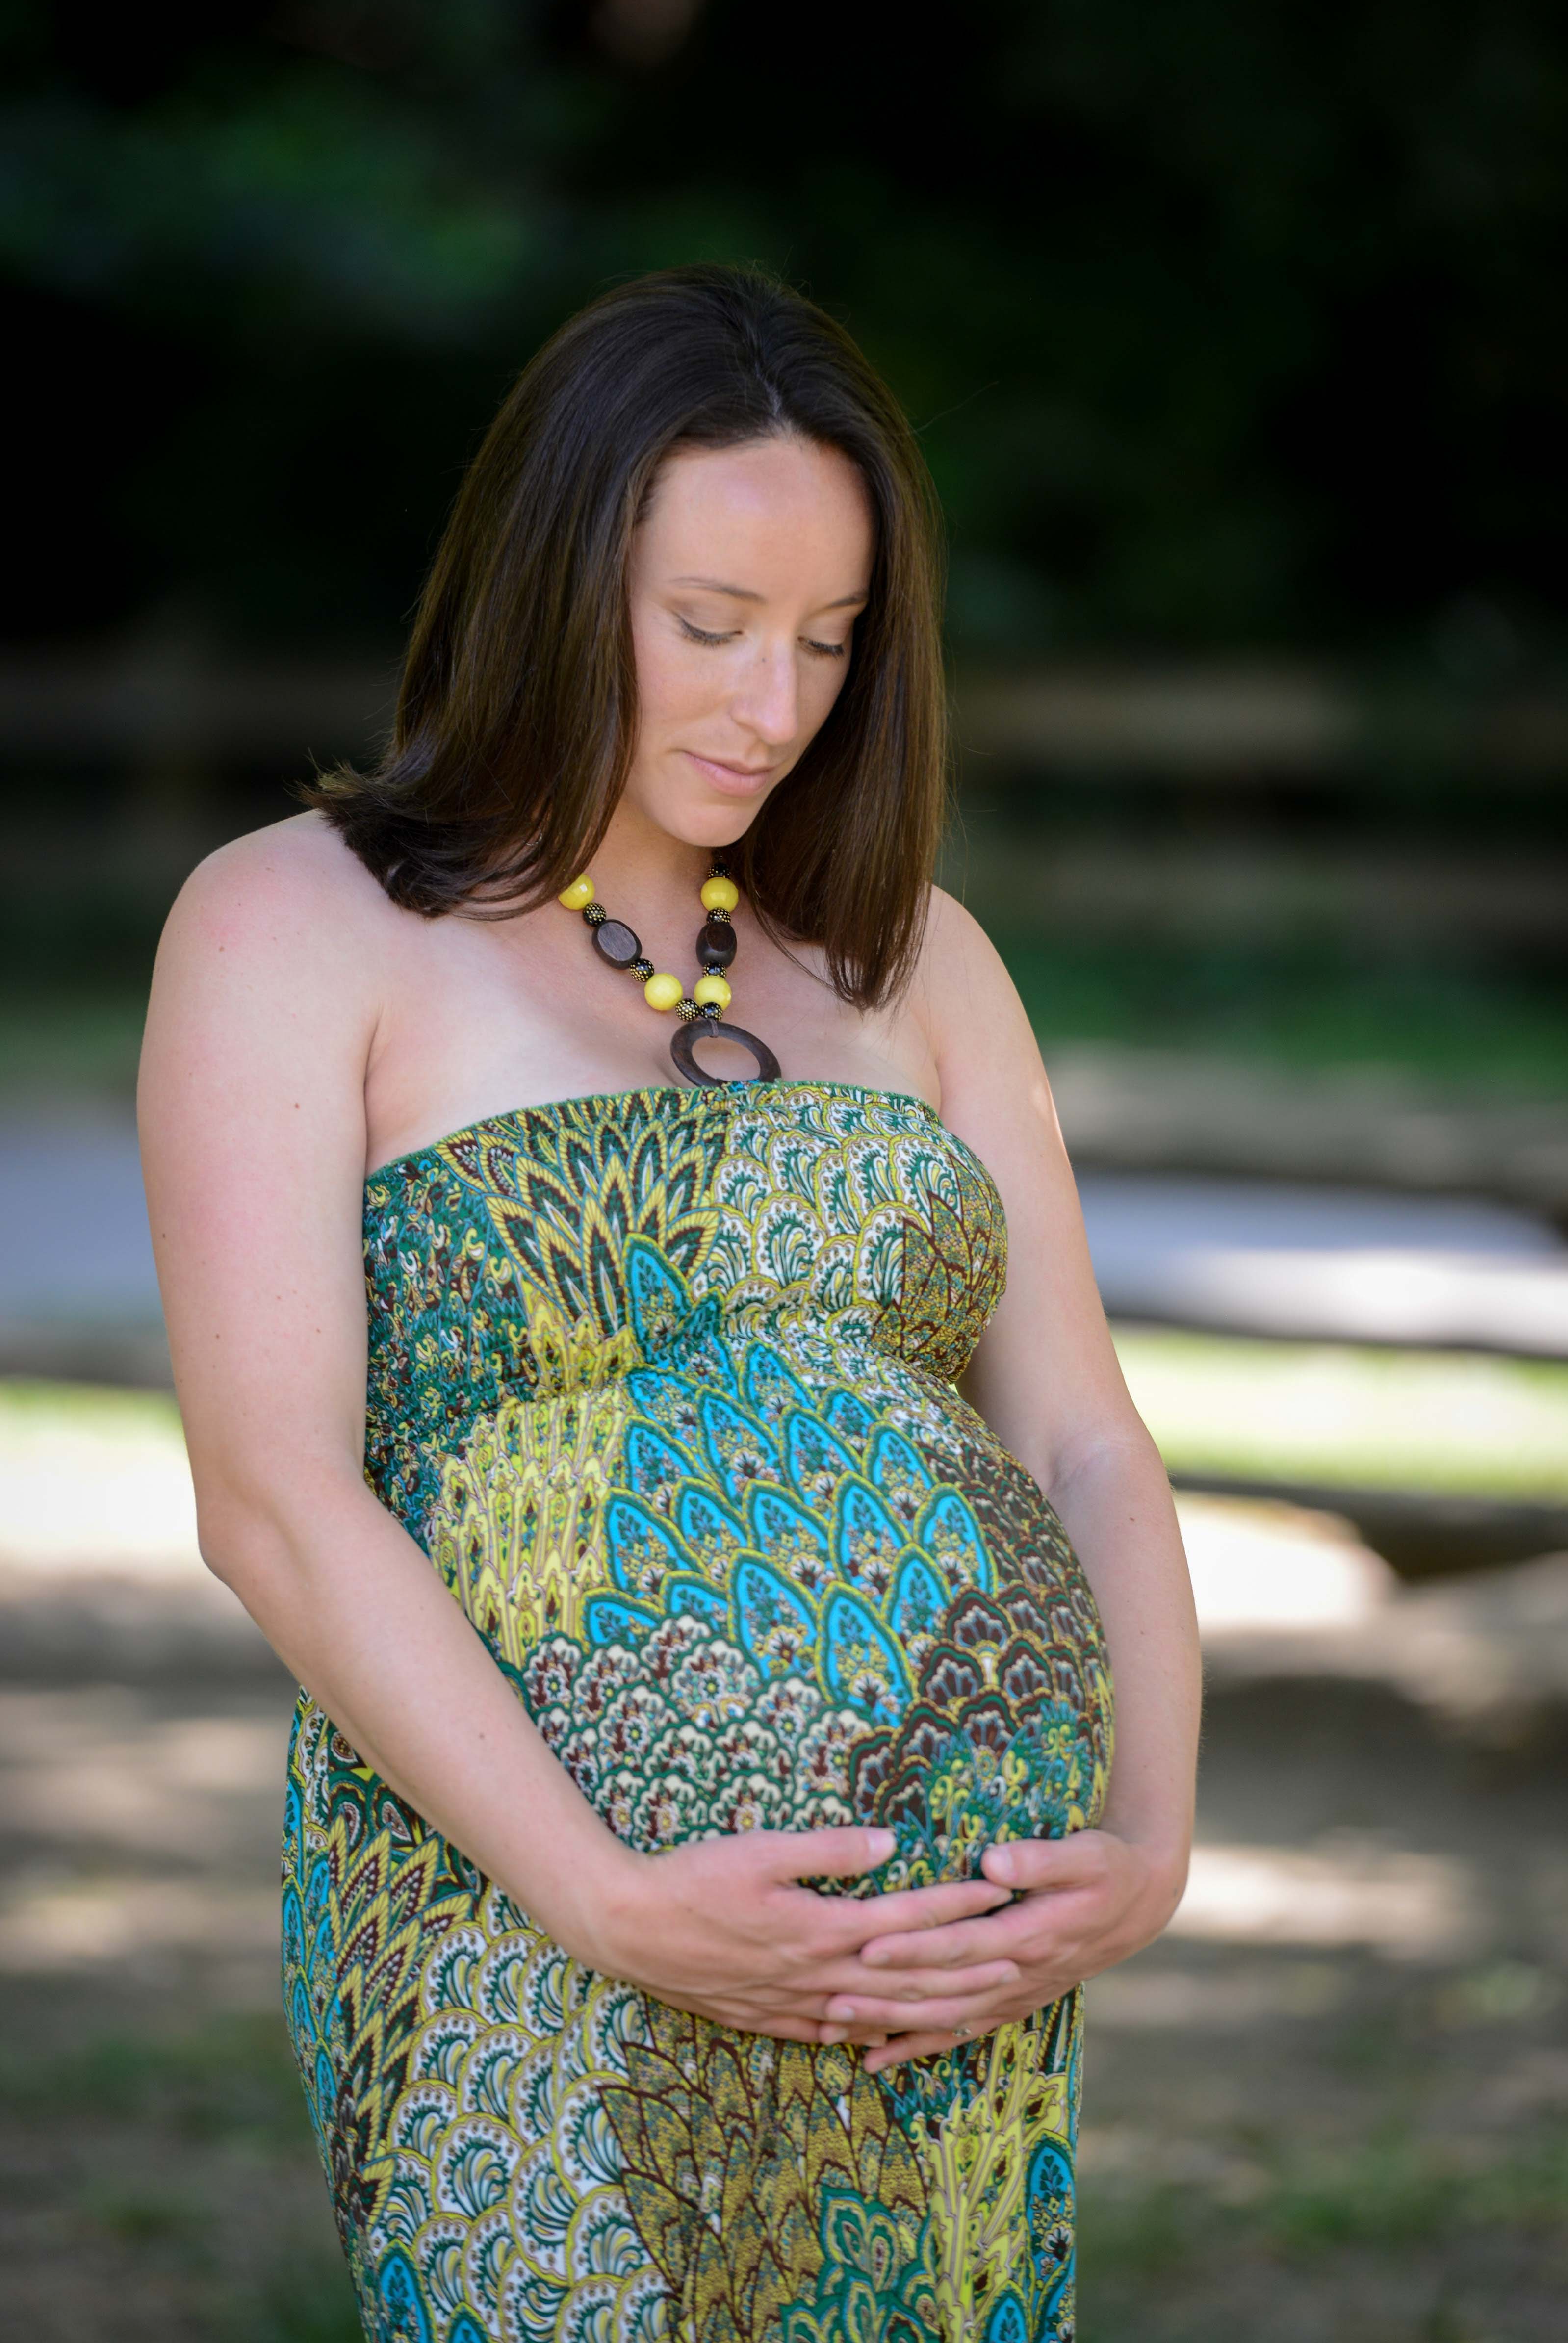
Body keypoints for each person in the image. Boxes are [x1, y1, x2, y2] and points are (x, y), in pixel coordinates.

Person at [139, 263, 1200, 2343]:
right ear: (550, 584)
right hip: (519, 1915)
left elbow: (1082, 1435)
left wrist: (1147, 1844)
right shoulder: (296, 927)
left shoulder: (912, 961)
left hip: (943, 1956)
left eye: (829, 641)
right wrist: (605, 1894)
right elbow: (271, 1497)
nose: (771, 706)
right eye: (707, 628)